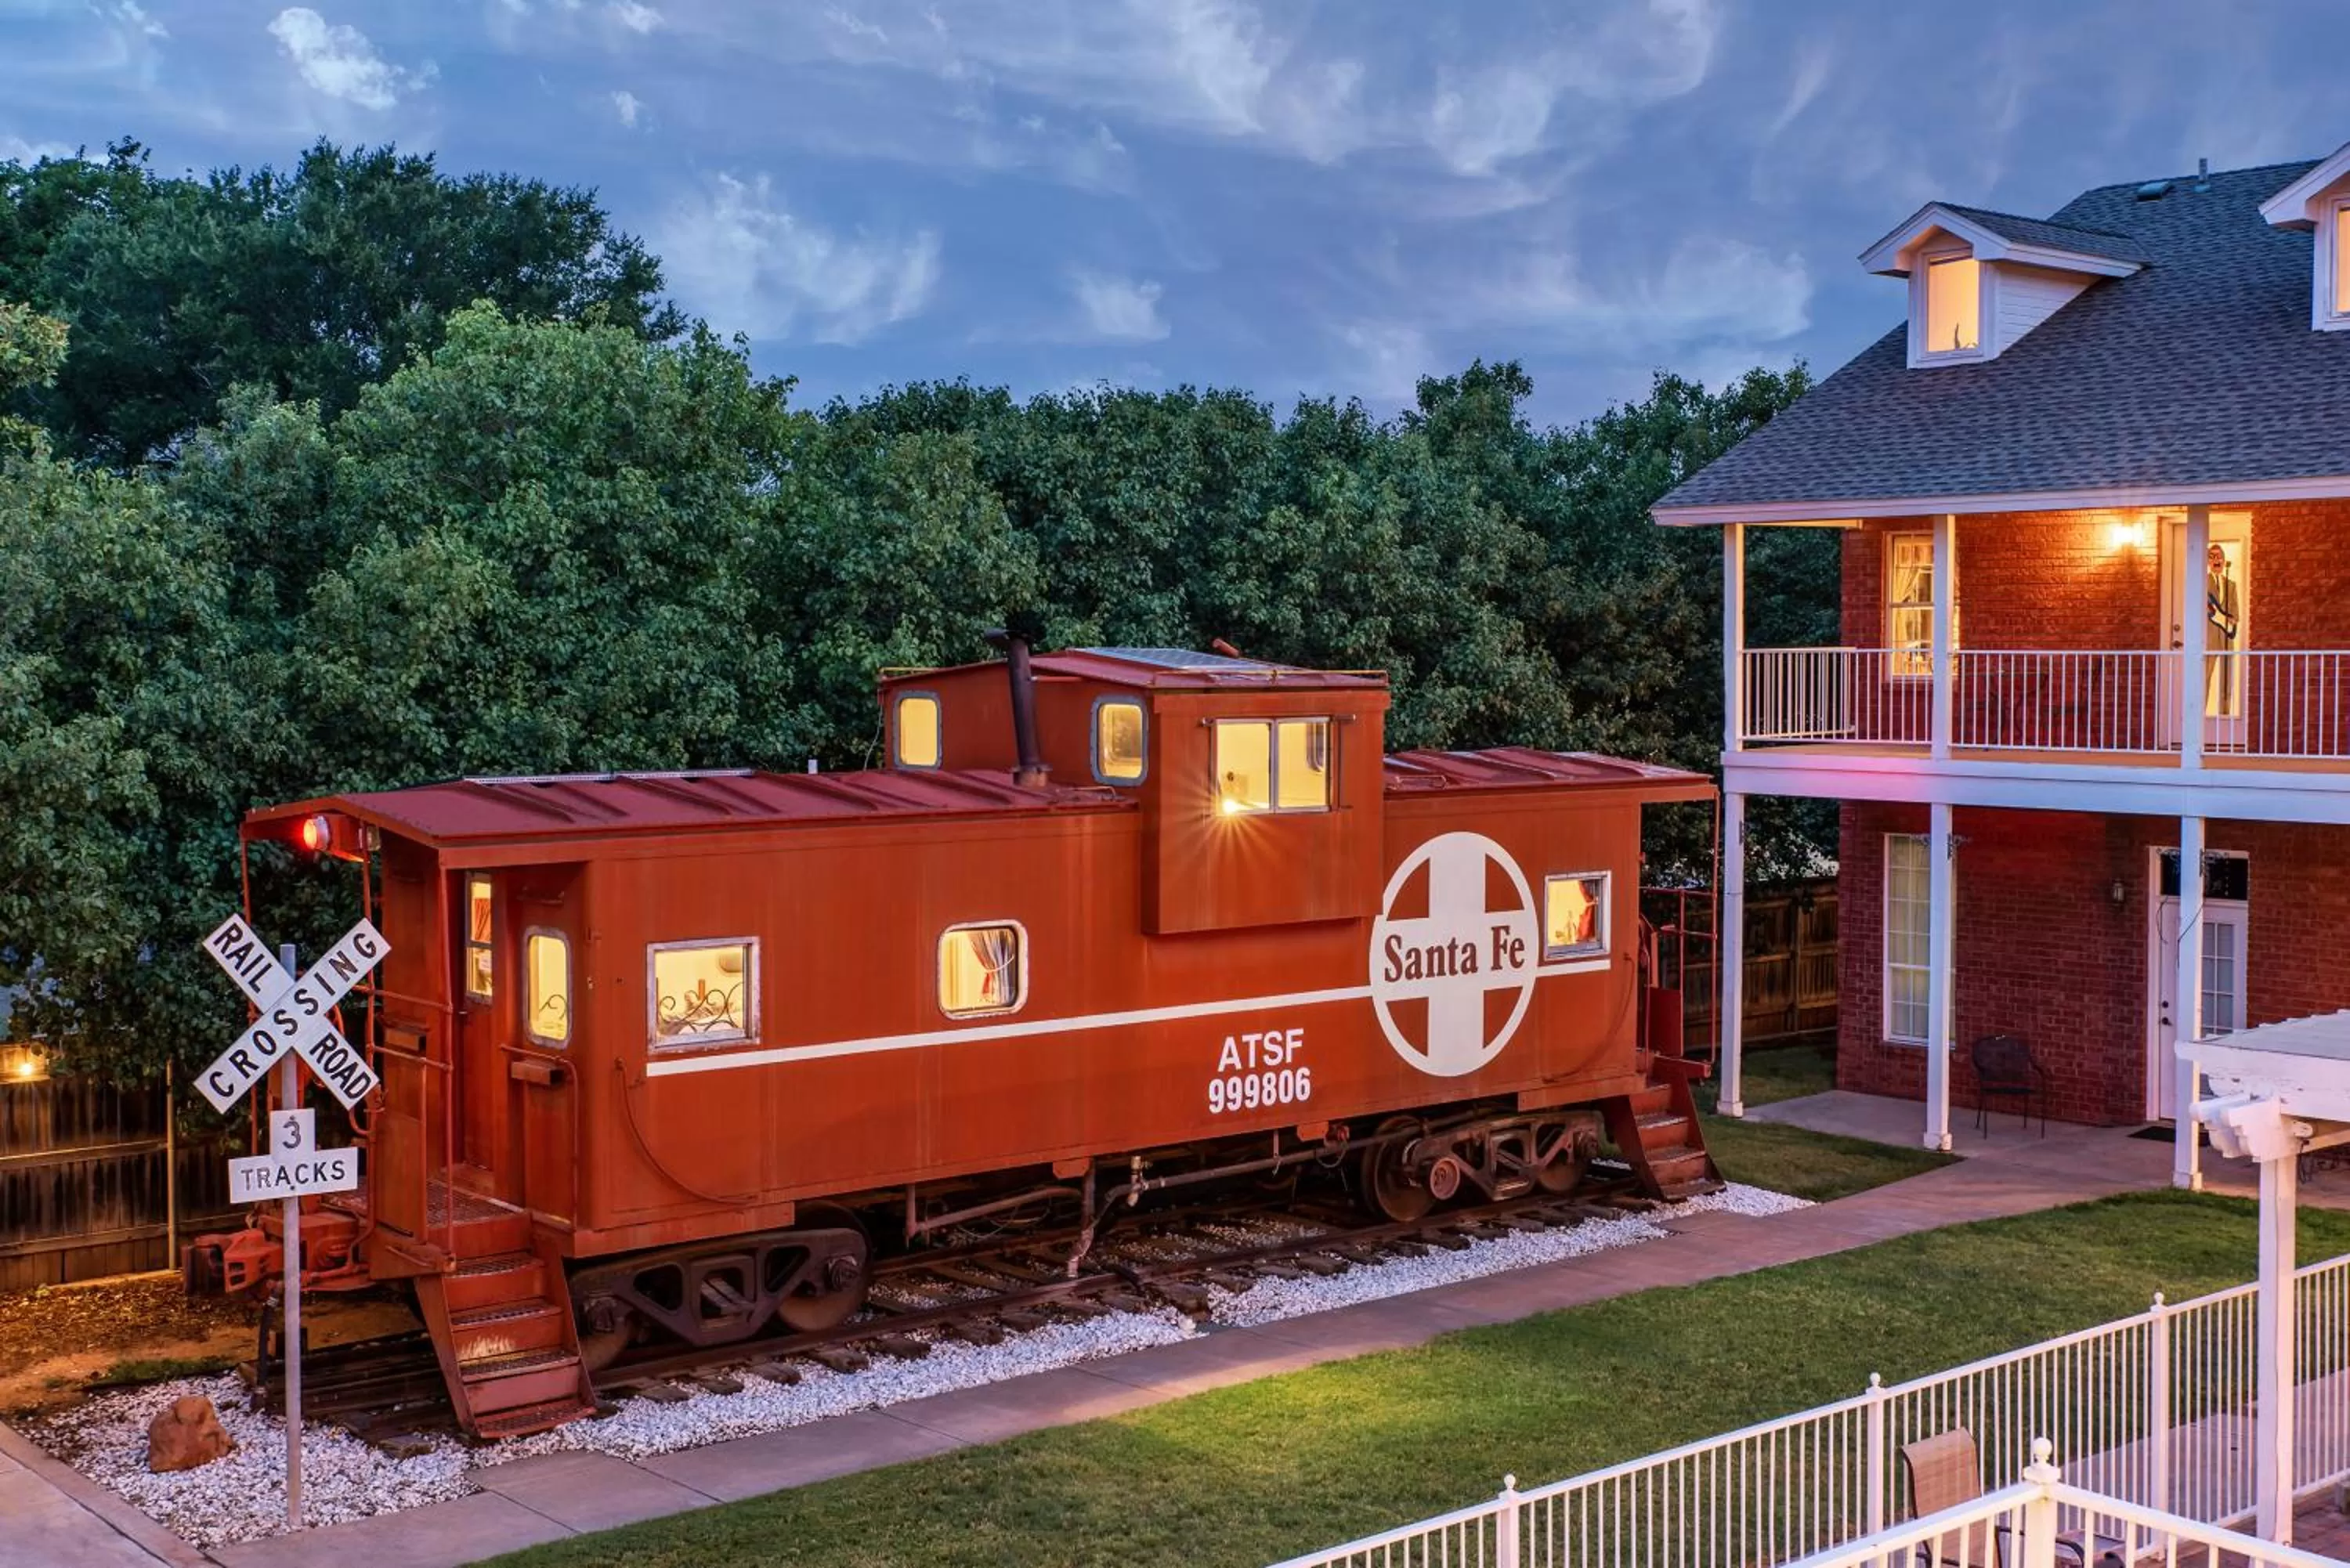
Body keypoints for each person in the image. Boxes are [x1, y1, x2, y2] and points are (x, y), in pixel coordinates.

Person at [2204, 542, 2240, 715]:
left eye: (2219, 557)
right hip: (2208, 638)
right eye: (2212, 557)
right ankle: (2200, 716)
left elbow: (2235, 614)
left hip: (2226, 639)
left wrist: (2230, 620)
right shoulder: (2202, 582)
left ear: (2224, 560)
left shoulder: (2231, 585)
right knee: (2204, 678)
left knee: (2227, 680)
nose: (2216, 560)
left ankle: (2225, 716)